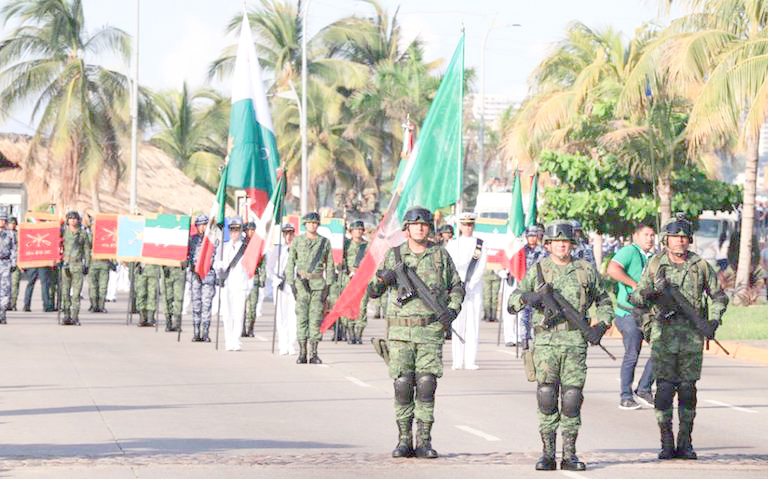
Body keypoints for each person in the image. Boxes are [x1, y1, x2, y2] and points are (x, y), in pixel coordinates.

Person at [508, 220, 613, 471]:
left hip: (575, 341)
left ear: (572, 244)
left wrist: (602, 324)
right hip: (546, 341)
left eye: (566, 242)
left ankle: (569, 454)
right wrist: (529, 297)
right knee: (546, 395)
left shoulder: (585, 270)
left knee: (572, 398)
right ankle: (547, 454)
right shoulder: (538, 270)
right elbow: (513, 301)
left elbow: (604, 300)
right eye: (557, 242)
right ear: (549, 245)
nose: (562, 246)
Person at [367, 206, 464, 459]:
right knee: (402, 384)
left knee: (426, 385)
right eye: (415, 224)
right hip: (400, 332)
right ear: (406, 229)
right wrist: (384, 279)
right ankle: (403, 440)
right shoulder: (394, 255)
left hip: (429, 330)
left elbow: (456, 286)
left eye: (424, 224)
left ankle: (424, 441)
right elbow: (372, 290)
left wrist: (452, 310)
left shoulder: (440, 256)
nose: (420, 228)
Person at [631, 213, 728, 460]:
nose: (680, 242)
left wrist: (713, 321)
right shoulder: (655, 264)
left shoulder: (701, 266)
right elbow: (637, 300)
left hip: (691, 336)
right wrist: (649, 324)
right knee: (663, 390)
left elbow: (718, 296)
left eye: (684, 237)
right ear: (667, 239)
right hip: (663, 334)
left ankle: (685, 442)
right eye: (675, 237)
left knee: (687, 389)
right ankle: (666, 440)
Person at [606, 222, 656, 410]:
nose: (649, 238)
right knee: (632, 353)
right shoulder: (629, 252)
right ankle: (625, 396)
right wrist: (634, 285)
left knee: (661, 349)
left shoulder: (654, 257)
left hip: (648, 313)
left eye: (652, 235)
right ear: (636, 236)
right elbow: (612, 269)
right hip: (627, 312)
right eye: (646, 234)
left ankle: (644, 388)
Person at [285, 212, 335, 364]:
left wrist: (329, 285)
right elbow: (291, 262)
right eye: (310, 223)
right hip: (301, 284)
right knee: (301, 318)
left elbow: (330, 265)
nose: (313, 225)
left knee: (316, 319)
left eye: (315, 223)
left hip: (318, 285)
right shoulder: (297, 241)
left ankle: (314, 352)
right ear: (305, 224)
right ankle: (302, 352)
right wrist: (291, 282)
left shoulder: (324, 242)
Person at [445, 212, 487, 370]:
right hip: (457, 288)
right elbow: (449, 266)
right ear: (460, 226)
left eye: (470, 224)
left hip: (473, 289)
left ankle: (470, 360)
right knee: (457, 322)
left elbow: (481, 265)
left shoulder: (480, 244)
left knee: (473, 324)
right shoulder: (452, 244)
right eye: (465, 224)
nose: (468, 227)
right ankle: (457, 360)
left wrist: (470, 283)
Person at [216, 218, 252, 351]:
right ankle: (228, 340)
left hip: (240, 284)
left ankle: (236, 340)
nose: (234, 233)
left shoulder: (245, 248)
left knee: (238, 314)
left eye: (237, 231)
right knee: (227, 313)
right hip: (227, 283)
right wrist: (218, 266)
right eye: (232, 231)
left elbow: (250, 268)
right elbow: (216, 263)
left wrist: (249, 285)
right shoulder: (224, 247)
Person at [269, 223, 298, 355]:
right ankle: (282, 344)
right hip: (280, 284)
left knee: (293, 315)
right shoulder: (278, 250)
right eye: (286, 234)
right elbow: (269, 267)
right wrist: (274, 279)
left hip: (293, 284)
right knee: (281, 316)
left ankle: (291, 344)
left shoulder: (298, 249)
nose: (289, 236)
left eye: (291, 234)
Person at [516, 224, 547, 347]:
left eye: (535, 236)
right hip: (525, 285)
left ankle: (536, 338)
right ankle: (524, 338)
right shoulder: (521, 251)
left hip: (538, 286)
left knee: (537, 313)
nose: (533, 239)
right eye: (530, 236)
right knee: (524, 314)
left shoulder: (543, 252)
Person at [338, 220, 369, 344]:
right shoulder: (345, 245)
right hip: (348, 279)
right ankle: (350, 333)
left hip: (362, 279)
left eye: (361, 229)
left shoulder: (367, 245)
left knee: (362, 307)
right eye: (356, 229)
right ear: (351, 231)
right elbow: (340, 259)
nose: (358, 231)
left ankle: (359, 335)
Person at [188, 215, 217, 342]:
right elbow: (188, 255)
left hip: (208, 274)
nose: (203, 227)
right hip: (195, 275)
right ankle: (196, 331)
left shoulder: (212, 240)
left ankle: (205, 331)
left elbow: (215, 256)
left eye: (205, 224)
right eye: (200, 224)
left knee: (206, 304)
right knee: (196, 303)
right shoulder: (192, 240)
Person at [60, 211, 90, 325]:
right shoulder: (63, 232)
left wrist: (87, 264)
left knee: (76, 293)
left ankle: (75, 316)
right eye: (70, 218)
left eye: (75, 218)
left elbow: (87, 250)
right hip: (66, 264)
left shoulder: (82, 234)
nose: (73, 220)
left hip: (77, 264)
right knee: (65, 292)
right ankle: (66, 315)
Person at [242, 221, 266, 337]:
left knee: (253, 305)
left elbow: (263, 263)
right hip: (243, 277)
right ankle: (241, 328)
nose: (250, 232)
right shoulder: (241, 244)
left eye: (252, 230)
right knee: (242, 305)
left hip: (254, 276)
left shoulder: (259, 245)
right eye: (248, 230)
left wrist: (262, 277)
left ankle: (250, 328)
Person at [0, 208, 17, 324]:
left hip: (5, 263)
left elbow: (14, 249)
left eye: (3, 220)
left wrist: (13, 262)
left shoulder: (10, 235)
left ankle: (2, 313)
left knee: (5, 290)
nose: (2, 222)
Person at [162, 260, 186, 332]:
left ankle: (177, 323)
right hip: (166, 268)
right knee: (167, 297)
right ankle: (168, 321)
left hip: (179, 268)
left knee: (179, 297)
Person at [134, 261, 160, 327]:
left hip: (153, 267)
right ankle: (142, 317)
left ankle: (150, 318)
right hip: (141, 268)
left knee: (152, 294)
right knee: (140, 293)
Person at [8, 217, 20, 311]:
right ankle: (5, 303)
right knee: (4, 285)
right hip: (5, 263)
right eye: (11, 223)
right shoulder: (3, 234)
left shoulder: (19, 235)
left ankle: (13, 303)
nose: (12, 225)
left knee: (15, 284)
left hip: (16, 263)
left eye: (14, 223)